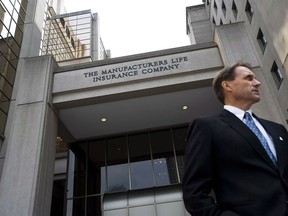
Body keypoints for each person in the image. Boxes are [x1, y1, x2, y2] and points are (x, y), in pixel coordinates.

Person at [182, 62, 288, 216]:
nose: (257, 83)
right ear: (227, 85)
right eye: (249, 78)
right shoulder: (207, 126)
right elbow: (194, 193)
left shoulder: (277, 129)